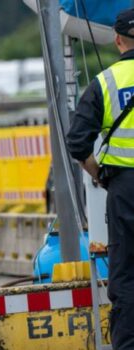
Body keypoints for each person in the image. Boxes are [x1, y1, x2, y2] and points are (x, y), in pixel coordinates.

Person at [67, 8, 134, 350]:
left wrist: (100, 175)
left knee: (125, 274)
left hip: (125, 190)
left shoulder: (106, 82)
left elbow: (77, 141)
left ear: (118, 40)